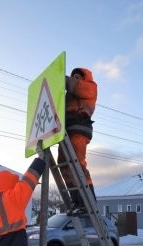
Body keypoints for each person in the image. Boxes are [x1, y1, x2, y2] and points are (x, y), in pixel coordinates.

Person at [57, 67, 98, 213]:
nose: (75, 78)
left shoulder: (90, 87)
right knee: (63, 164)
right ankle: (77, 201)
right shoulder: (69, 95)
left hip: (79, 127)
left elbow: (76, 86)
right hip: (66, 131)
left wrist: (61, 78)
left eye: (77, 76)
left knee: (77, 164)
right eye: (73, 76)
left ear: (84, 78)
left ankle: (88, 201)